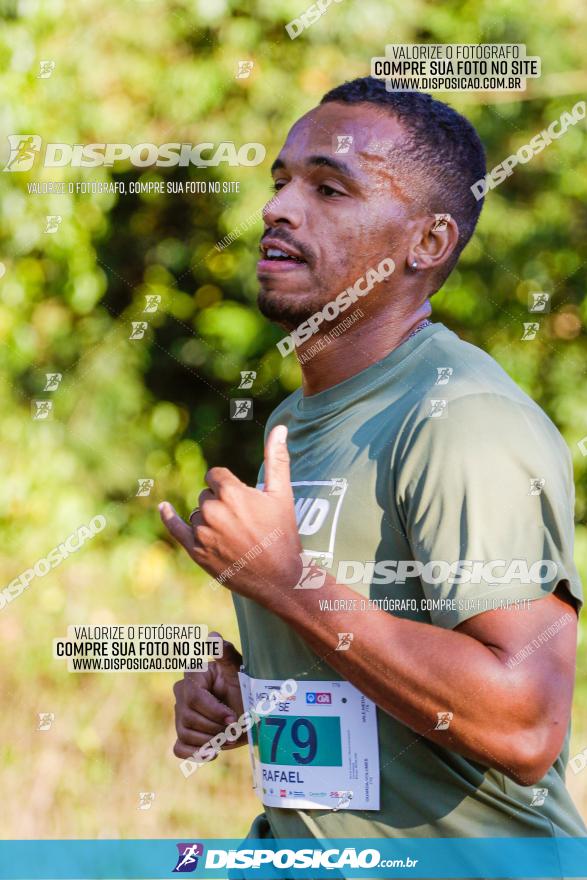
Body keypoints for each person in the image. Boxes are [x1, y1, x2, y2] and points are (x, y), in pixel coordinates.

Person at [160, 77, 585, 861]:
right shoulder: (296, 420)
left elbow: (523, 722)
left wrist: (287, 583)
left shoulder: (462, 420)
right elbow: (364, 651)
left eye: (329, 187)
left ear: (427, 243)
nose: (278, 209)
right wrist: (248, 691)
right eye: (281, 182)